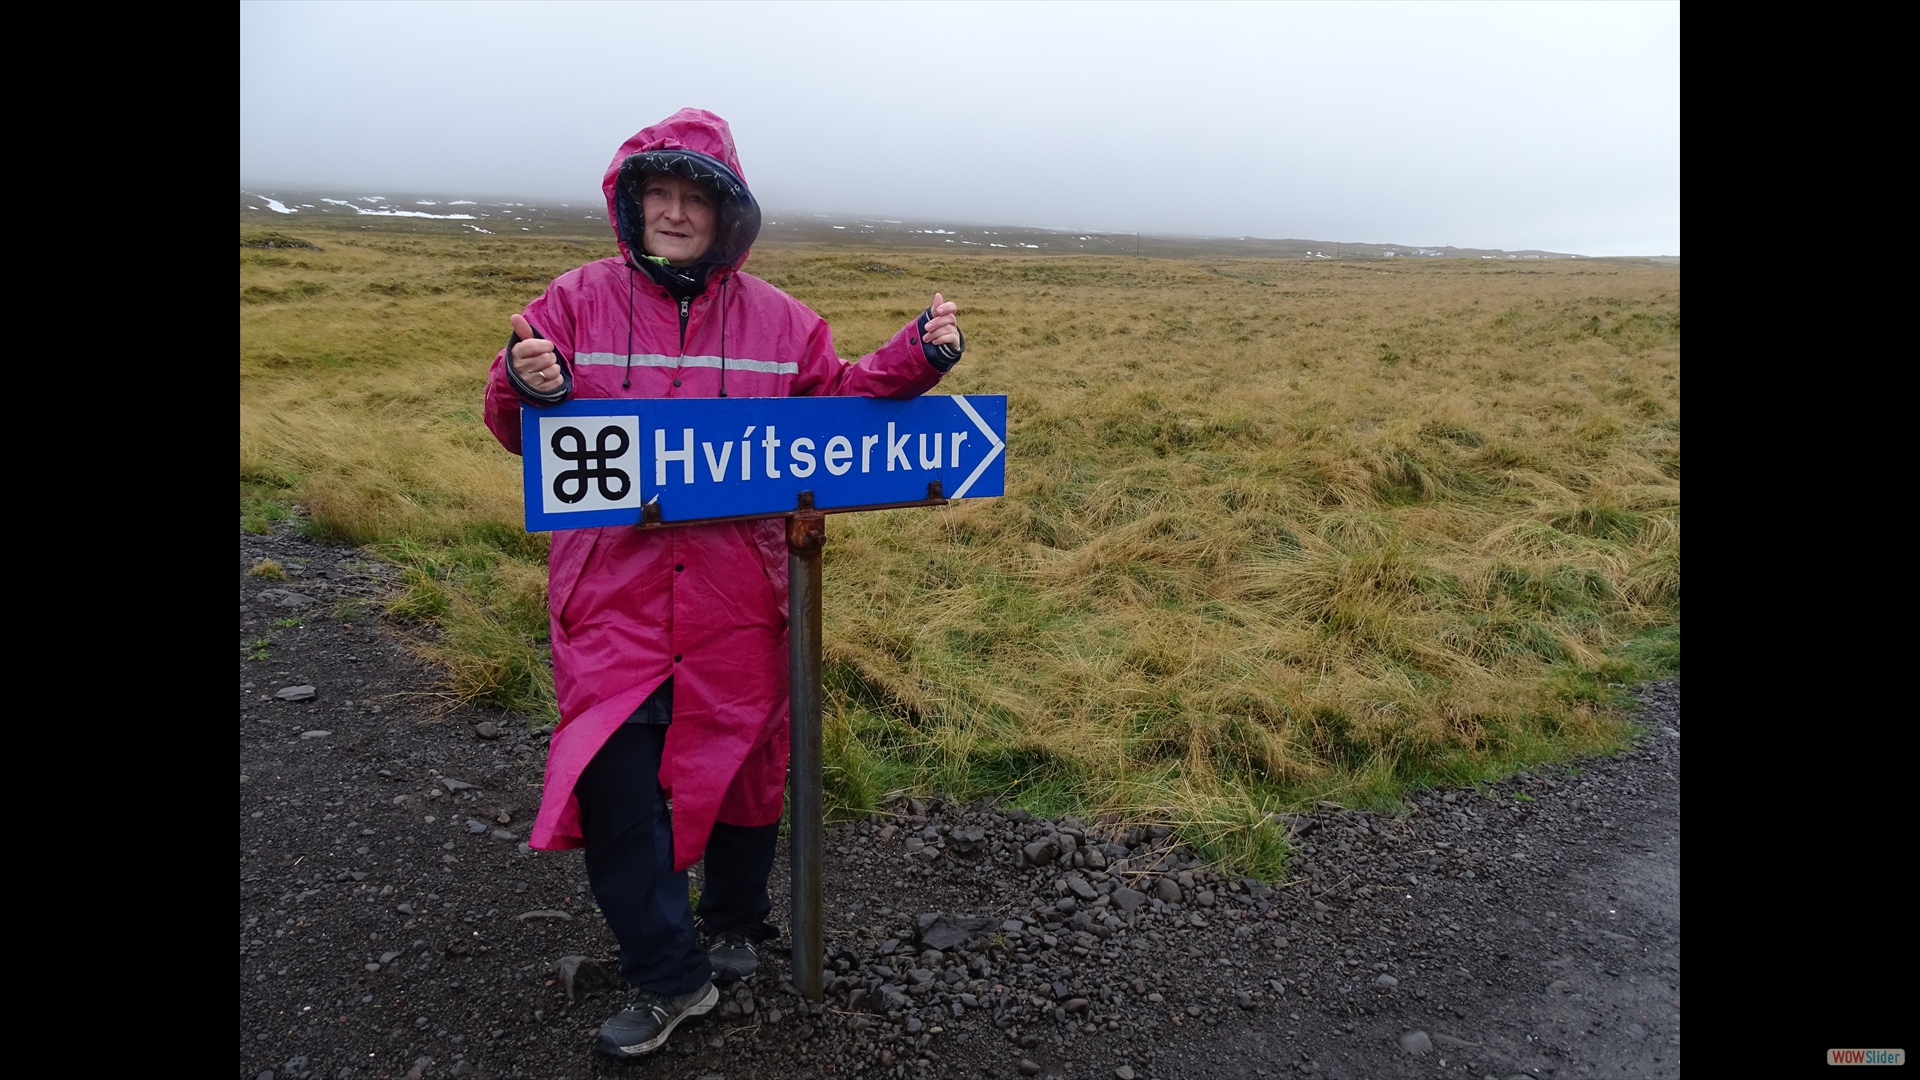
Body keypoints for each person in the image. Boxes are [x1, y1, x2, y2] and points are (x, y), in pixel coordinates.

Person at [481, 108, 964, 1060]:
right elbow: (519, 428)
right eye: (654, 195)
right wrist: (524, 382)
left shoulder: (783, 321)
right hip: (610, 597)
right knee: (616, 779)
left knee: (747, 762)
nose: (670, 213)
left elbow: (833, 412)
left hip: (739, 593)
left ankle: (737, 919)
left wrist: (916, 355)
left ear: (724, 213)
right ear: (631, 204)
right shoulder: (571, 300)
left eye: (690, 198)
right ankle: (671, 978)